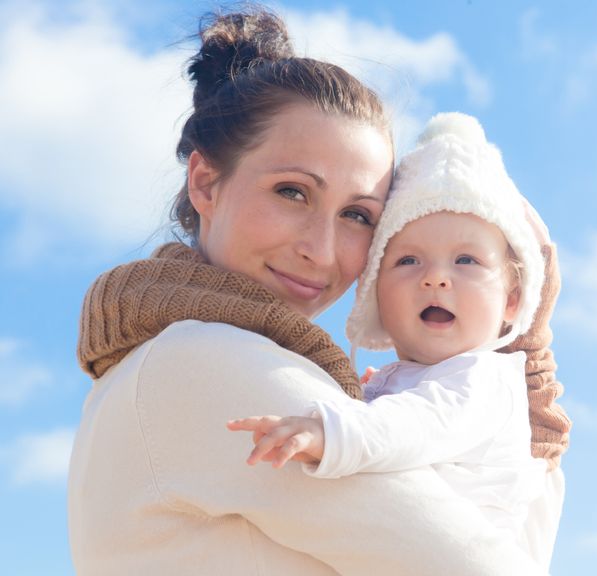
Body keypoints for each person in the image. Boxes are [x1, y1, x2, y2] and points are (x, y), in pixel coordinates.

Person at [68, 6, 570, 576]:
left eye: (358, 215)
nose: (322, 250)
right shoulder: (205, 362)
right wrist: (523, 366)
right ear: (206, 183)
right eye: (293, 192)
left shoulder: (162, 363)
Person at [228, 112, 561, 571]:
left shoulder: (486, 380)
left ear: (513, 301)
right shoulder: (406, 382)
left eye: (466, 260)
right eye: (407, 261)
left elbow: (419, 423)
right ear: (376, 296)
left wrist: (334, 430)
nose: (436, 279)